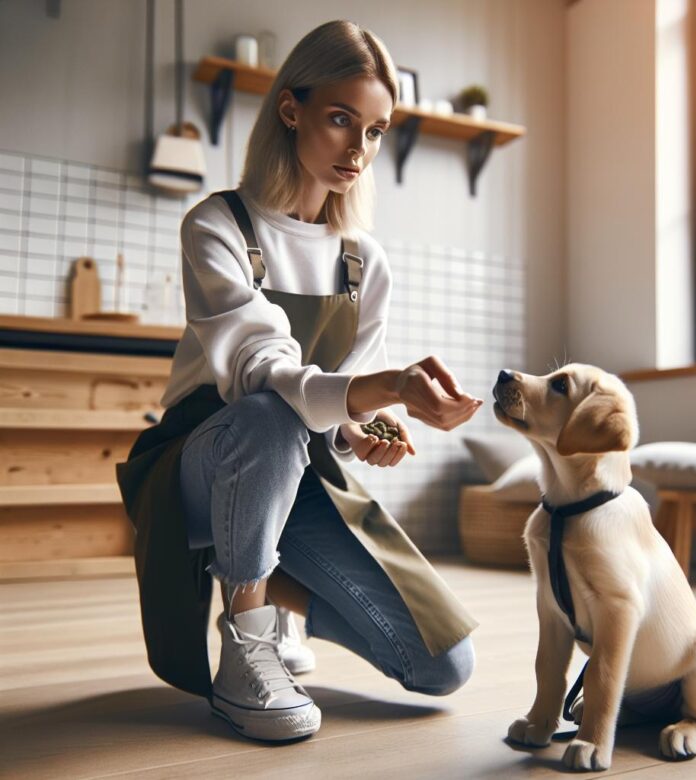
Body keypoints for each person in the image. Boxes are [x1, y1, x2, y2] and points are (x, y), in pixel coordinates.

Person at [116, 20, 482, 744]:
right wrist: (389, 385)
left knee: (445, 664)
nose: (359, 150)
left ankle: (272, 586)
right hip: (199, 461)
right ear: (292, 109)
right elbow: (268, 372)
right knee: (268, 415)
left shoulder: (364, 264)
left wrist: (362, 431)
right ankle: (246, 640)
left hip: (296, 475)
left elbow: (330, 418)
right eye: (341, 119)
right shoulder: (217, 226)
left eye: (375, 131)